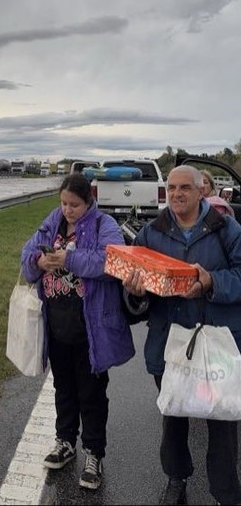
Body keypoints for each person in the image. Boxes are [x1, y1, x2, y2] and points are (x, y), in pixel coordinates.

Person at [123, 165, 241, 505]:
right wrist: (136, 290)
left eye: (185, 188)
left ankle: (225, 491)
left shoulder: (225, 229)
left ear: (201, 190)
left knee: (222, 420)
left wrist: (211, 283)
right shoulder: (152, 232)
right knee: (173, 416)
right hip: (168, 341)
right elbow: (140, 291)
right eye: (172, 187)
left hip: (216, 341)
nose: (176, 194)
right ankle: (176, 478)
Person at [20, 174, 133, 490]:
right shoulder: (54, 221)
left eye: (75, 205)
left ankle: (94, 454)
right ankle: (65, 442)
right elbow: (27, 253)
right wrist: (40, 261)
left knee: (92, 395)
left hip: (91, 328)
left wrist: (67, 258)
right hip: (57, 326)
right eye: (64, 203)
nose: (68, 210)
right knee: (64, 389)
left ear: (89, 201)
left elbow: (111, 261)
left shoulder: (103, 225)